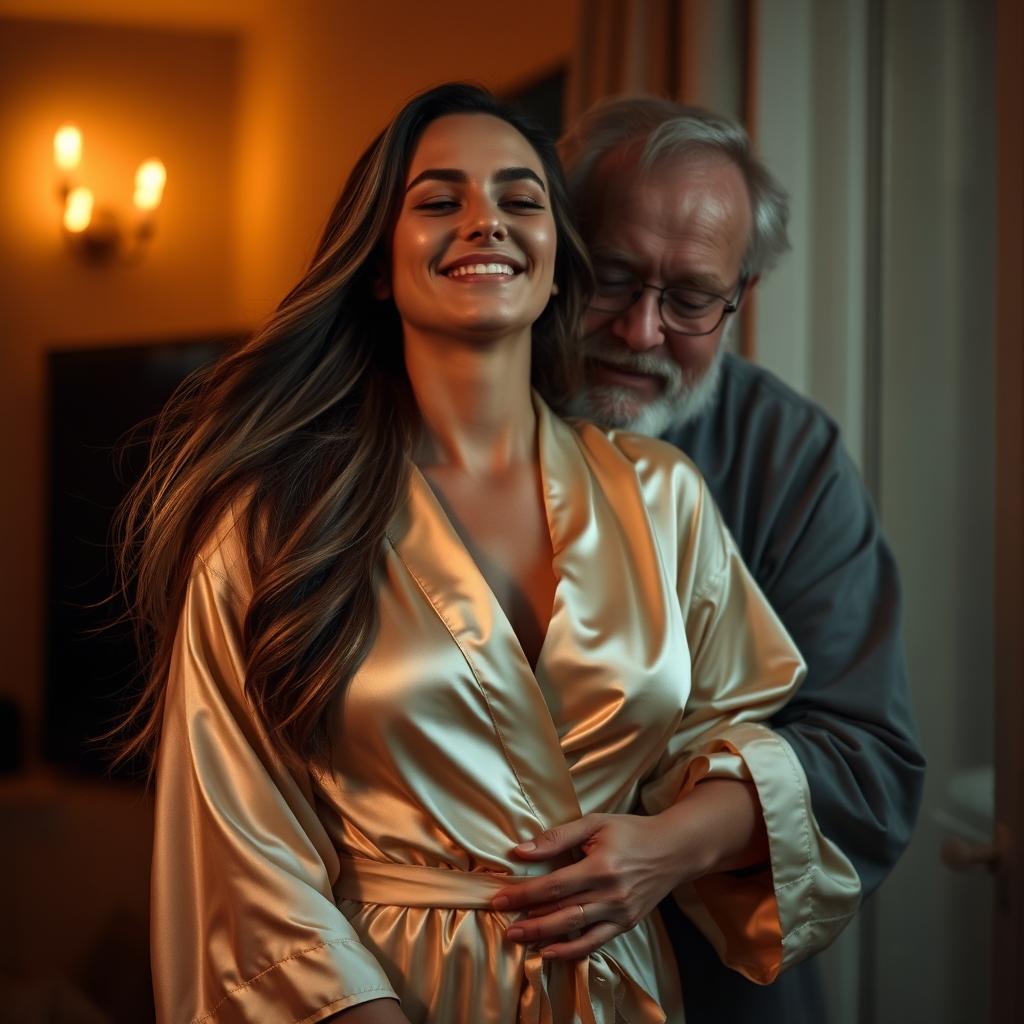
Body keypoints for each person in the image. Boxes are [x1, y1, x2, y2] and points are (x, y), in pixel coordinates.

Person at [118, 84, 860, 1024]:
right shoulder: (272, 521)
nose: (485, 222)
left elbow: (732, 742)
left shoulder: (659, 493)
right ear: (380, 267)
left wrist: (673, 840)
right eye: (438, 200)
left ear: (557, 265)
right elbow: (241, 859)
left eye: (520, 200)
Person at [558, 95, 926, 1023]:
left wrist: (671, 847)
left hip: (713, 988)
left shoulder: (788, 455)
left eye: (688, 299)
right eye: (610, 278)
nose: (641, 332)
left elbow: (867, 759)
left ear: (740, 298)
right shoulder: (451, 421)